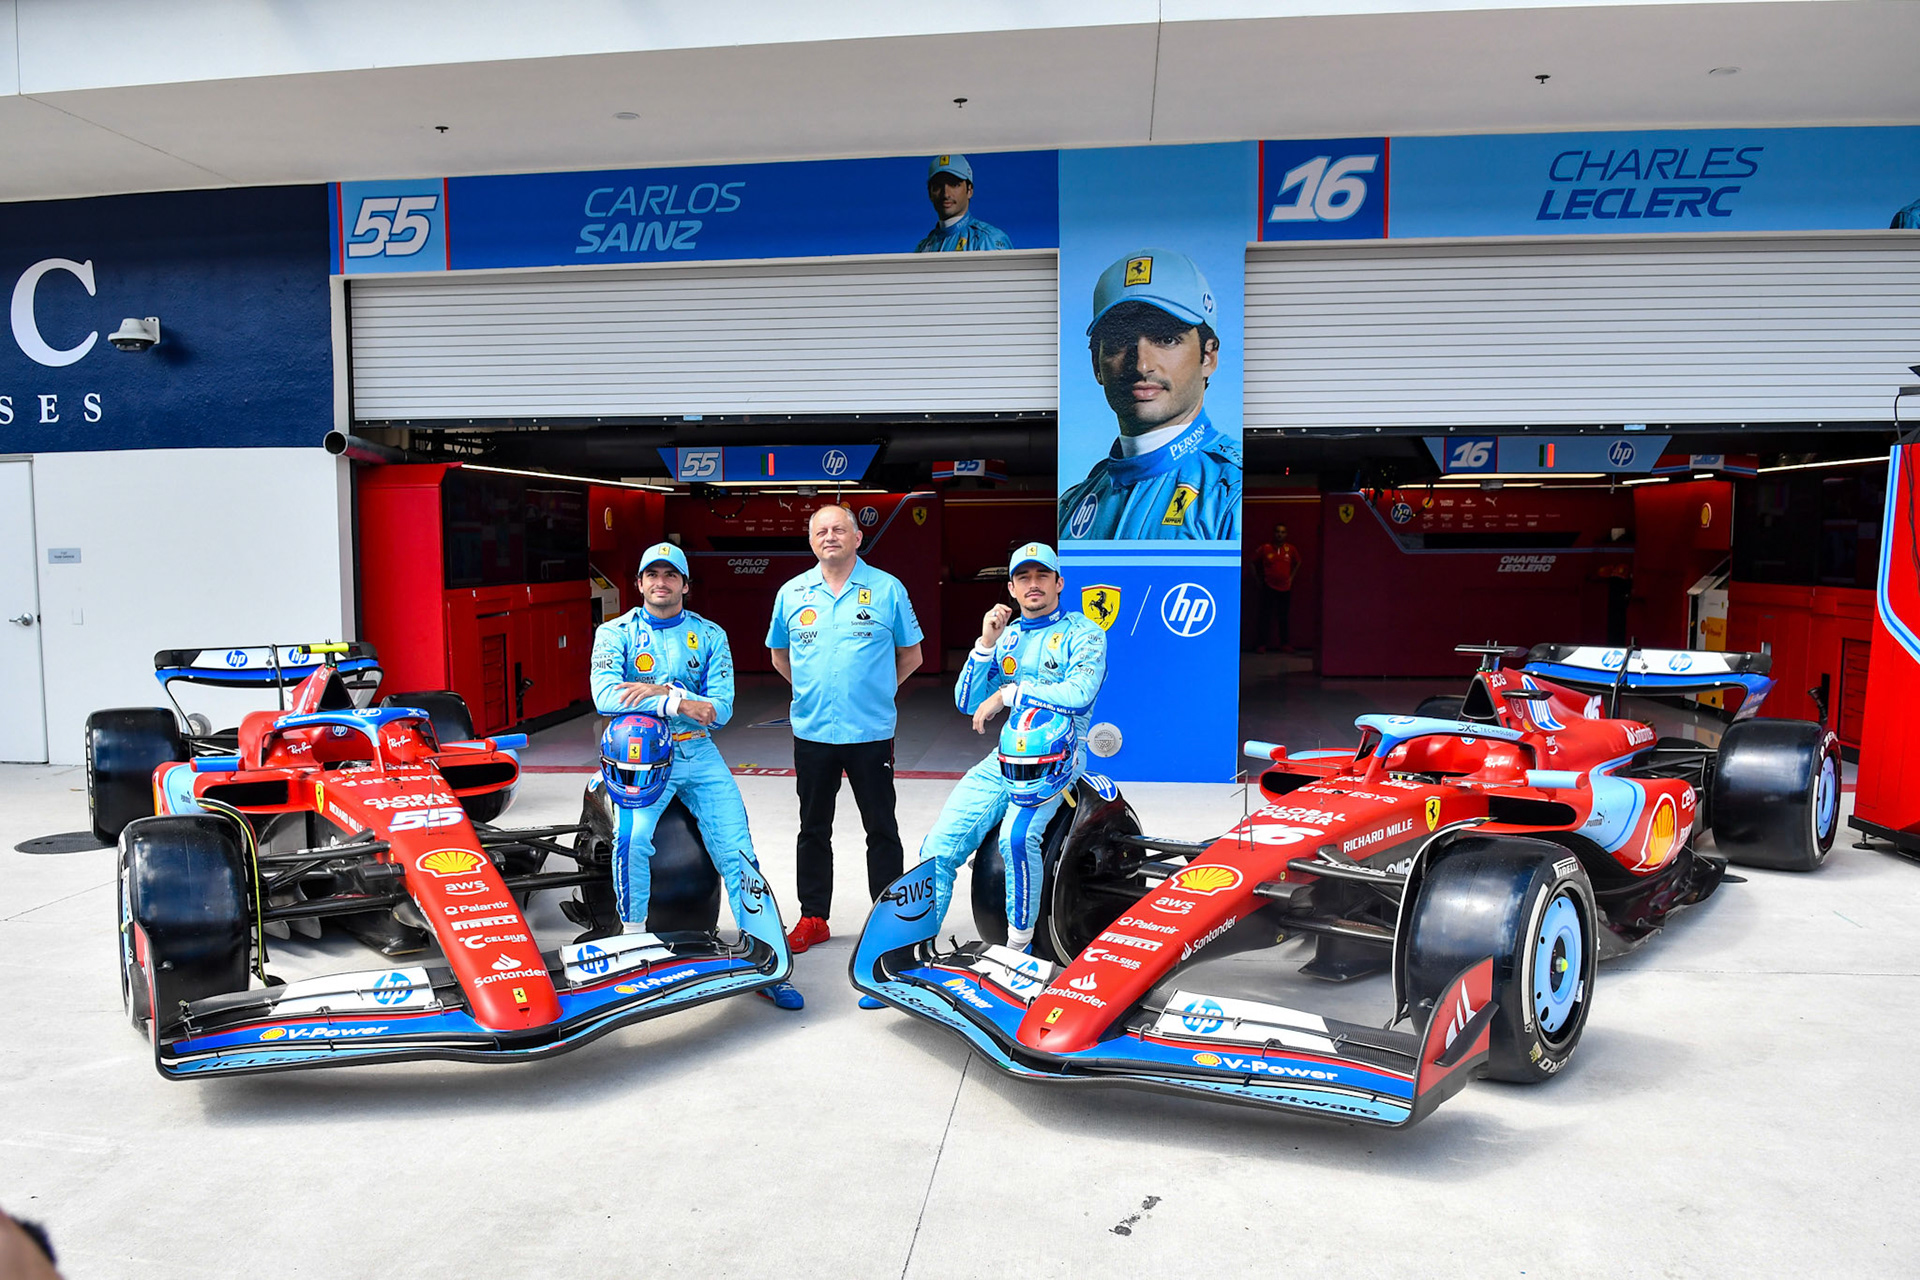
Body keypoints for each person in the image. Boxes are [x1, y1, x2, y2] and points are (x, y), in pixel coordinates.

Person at [589, 542, 802, 1010]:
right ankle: (633, 942)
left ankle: (765, 956)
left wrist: (655, 692)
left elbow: (719, 709)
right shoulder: (614, 632)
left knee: (738, 850)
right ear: (639, 583)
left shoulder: (709, 634)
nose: (660, 582)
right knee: (633, 839)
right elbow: (605, 695)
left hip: (697, 752)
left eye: (671, 575)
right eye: (652, 574)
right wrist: (679, 701)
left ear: (685, 584)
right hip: (639, 754)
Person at [914, 542, 1107, 963]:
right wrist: (985, 645)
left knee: (1016, 839)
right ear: (1012, 588)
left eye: (1042, 576)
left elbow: (1080, 693)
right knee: (939, 848)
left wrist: (1009, 693)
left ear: (1059, 583)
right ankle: (918, 950)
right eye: (1024, 577)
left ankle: (1018, 950)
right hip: (1005, 758)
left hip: (1060, 756)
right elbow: (967, 702)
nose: (1033, 584)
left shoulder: (1085, 632)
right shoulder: (1009, 636)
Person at [767, 505, 924, 955]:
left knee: (881, 827)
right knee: (813, 828)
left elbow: (912, 656)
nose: (829, 536)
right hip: (813, 732)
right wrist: (815, 693)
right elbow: (780, 656)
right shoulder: (792, 593)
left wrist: (876, 691)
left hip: (871, 732)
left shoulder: (887, 589)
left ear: (858, 537)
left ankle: (887, 921)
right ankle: (814, 918)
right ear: (811, 540)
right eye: (821, 531)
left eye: (839, 529)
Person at [1059, 248, 1242, 542]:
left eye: (1166, 339)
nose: (1142, 365)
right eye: (1120, 341)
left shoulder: (1233, 494)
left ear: (1208, 357)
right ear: (1096, 364)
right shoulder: (1071, 506)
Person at [914, 154, 1013, 253]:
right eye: (937, 186)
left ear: (969, 190)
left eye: (954, 184)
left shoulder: (987, 239)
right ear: (929, 193)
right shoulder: (923, 247)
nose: (946, 194)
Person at [1251, 523, 1302, 652]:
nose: (1280, 534)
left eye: (1283, 532)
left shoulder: (1290, 549)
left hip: (1285, 588)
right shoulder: (1265, 548)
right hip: (1268, 587)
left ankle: (1285, 644)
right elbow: (1252, 562)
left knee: (1283, 617)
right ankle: (1261, 644)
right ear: (1274, 533)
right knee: (1265, 616)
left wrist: (1291, 578)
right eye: (1278, 532)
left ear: (1286, 534)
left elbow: (1298, 562)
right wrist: (1257, 580)